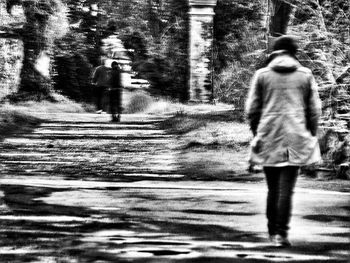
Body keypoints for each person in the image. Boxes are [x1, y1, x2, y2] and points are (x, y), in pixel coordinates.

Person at [245, 36, 322, 248]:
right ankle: (281, 233)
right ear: (294, 52)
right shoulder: (305, 75)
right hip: (296, 137)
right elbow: (314, 111)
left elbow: (252, 110)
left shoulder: (262, 75)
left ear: (275, 52)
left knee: (272, 188)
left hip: (269, 135)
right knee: (287, 188)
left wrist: (257, 133)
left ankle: (272, 231)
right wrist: (310, 134)